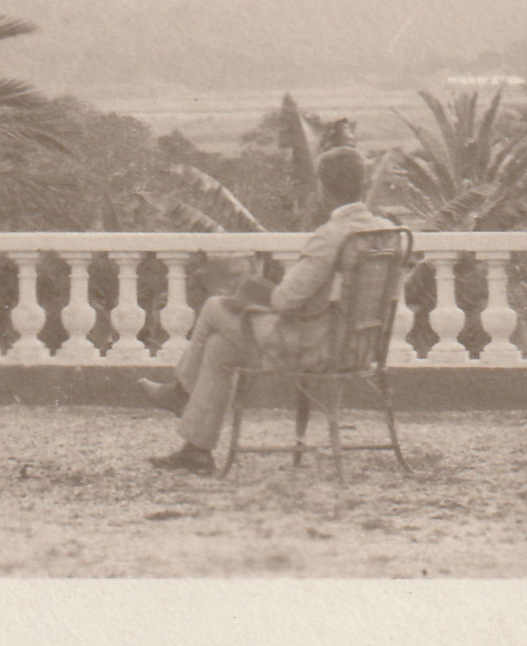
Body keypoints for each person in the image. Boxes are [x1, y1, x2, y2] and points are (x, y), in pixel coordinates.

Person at [136, 139, 396, 475]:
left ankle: (181, 391)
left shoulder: (333, 235)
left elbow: (286, 300)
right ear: (363, 183)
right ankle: (196, 452)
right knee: (219, 349)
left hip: (315, 347)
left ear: (324, 189)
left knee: (214, 306)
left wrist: (261, 291)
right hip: (360, 346)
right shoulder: (387, 231)